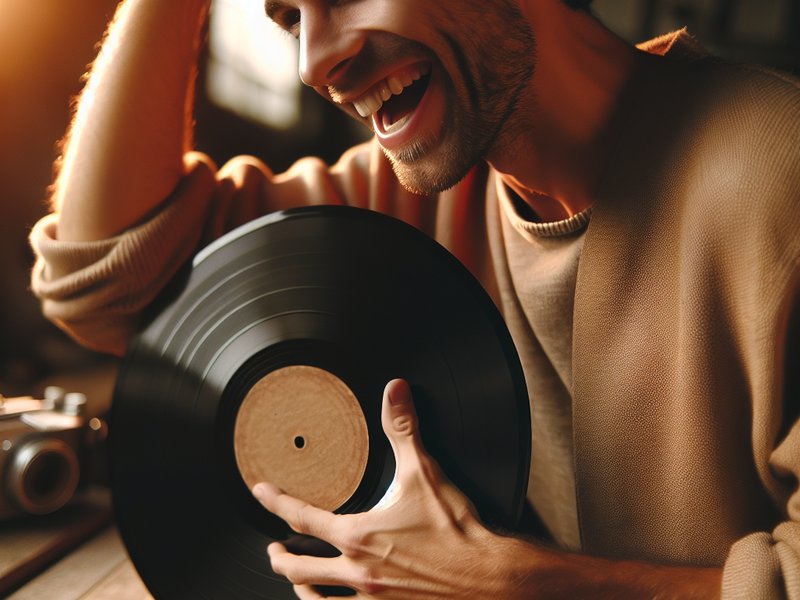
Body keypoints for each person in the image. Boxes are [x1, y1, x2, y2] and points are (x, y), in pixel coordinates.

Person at [28, 0, 800, 597]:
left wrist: (521, 588)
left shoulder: (781, 171)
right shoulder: (403, 204)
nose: (313, 60)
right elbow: (107, 284)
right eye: (289, 16)